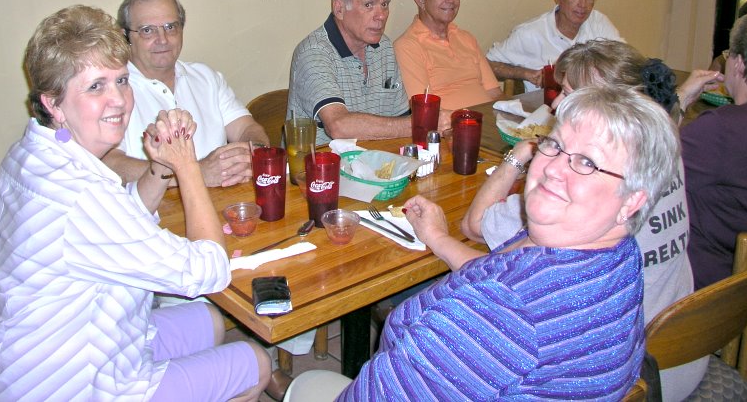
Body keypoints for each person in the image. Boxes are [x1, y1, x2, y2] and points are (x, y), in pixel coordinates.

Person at [287, 85, 681, 400]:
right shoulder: (618, 255)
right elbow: (503, 276)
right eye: (556, 144)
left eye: (587, 162)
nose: (554, 168)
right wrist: (439, 238)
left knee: (307, 386)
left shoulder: (509, 312)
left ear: (633, 200)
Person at [0, 5, 270, 401]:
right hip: (69, 383)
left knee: (208, 320)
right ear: (53, 102)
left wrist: (160, 166)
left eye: (121, 81)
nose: (119, 101)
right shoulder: (78, 196)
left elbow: (121, 218)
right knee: (255, 362)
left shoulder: (36, 150)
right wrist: (187, 165)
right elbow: (210, 269)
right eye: (95, 86)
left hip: (51, 346)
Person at [462, 39, 705, 401]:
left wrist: (518, 156)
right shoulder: (663, 151)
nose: (557, 102)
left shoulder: (567, 200)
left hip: (633, 378)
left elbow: (474, 224)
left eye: (571, 94)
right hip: (688, 349)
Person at [103, 0, 269, 188]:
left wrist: (252, 155)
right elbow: (109, 164)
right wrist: (195, 174)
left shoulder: (206, 77)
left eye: (170, 27)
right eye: (148, 31)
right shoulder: (111, 90)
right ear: (125, 36)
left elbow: (247, 128)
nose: (162, 39)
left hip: (223, 203)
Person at [681, 12, 747, 309]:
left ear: (738, 63)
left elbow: (643, 164)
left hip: (718, 296)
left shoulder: (721, 129)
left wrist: (681, 98)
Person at [287, 0, 451, 145]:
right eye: (369, 5)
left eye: (384, 4)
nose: (381, 16)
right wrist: (422, 125)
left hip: (376, 163)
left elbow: (399, 118)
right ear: (339, 9)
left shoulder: (384, 46)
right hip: (318, 167)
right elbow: (338, 126)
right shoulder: (313, 52)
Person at [486, 0, 623, 92]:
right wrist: (525, 73)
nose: (583, 4)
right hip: (548, 112)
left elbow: (624, 63)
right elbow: (487, 65)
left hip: (595, 108)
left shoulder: (599, 22)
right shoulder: (530, 33)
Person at [393, 0, 503, 110]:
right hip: (452, 130)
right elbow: (425, 110)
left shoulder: (466, 38)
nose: (451, 0)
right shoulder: (408, 46)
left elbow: (495, 93)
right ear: (420, 0)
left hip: (488, 122)